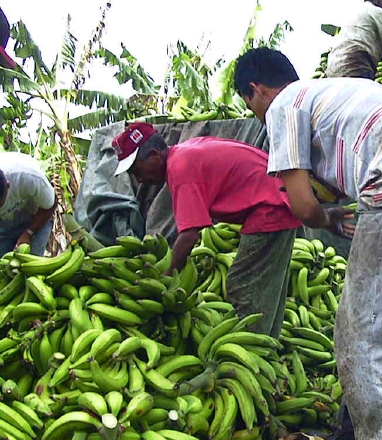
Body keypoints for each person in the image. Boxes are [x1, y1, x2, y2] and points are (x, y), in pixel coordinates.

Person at [234, 47, 382, 440]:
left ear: (255, 89)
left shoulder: (283, 106)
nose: (256, 113)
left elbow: (303, 205)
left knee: (361, 341)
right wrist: (337, 209)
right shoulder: (334, 92)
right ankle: (352, 431)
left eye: (249, 104)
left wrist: (325, 220)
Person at [111, 122, 302, 338]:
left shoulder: (180, 169)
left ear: (154, 155)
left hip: (271, 208)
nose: (139, 179)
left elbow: (190, 233)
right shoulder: (185, 152)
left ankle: (254, 354)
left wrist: (166, 277)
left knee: (243, 285)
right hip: (284, 199)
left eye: (137, 170)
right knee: (268, 287)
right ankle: (269, 343)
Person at [0, 152, 56, 256]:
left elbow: (51, 204)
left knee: (31, 262)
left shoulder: (29, 178)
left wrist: (28, 233)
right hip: (4, 227)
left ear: (8, 185)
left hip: (36, 218)